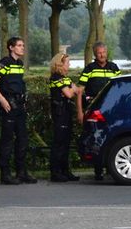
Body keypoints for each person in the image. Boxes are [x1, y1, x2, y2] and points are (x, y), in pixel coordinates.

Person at [0, 37, 37, 185]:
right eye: (19, 45)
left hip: (19, 105)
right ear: (11, 47)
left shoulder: (20, 64)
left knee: (23, 139)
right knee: (7, 140)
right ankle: (5, 174)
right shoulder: (5, 62)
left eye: (23, 45)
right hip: (8, 105)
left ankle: (21, 172)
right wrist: (2, 100)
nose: (23, 48)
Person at [76, 42, 121, 181]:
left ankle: (111, 168)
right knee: (96, 137)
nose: (102, 55)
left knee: (113, 136)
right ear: (95, 54)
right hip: (94, 108)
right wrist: (80, 111)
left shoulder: (113, 67)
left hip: (111, 108)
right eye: (99, 53)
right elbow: (80, 90)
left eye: (104, 52)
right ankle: (98, 170)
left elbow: (120, 87)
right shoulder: (89, 68)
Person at [47, 52, 80, 182]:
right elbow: (69, 94)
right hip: (59, 113)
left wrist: (72, 88)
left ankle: (65, 171)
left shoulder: (65, 78)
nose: (70, 64)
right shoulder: (55, 78)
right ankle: (55, 172)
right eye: (68, 62)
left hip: (66, 112)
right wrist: (71, 88)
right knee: (59, 143)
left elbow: (76, 90)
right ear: (60, 64)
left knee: (66, 143)